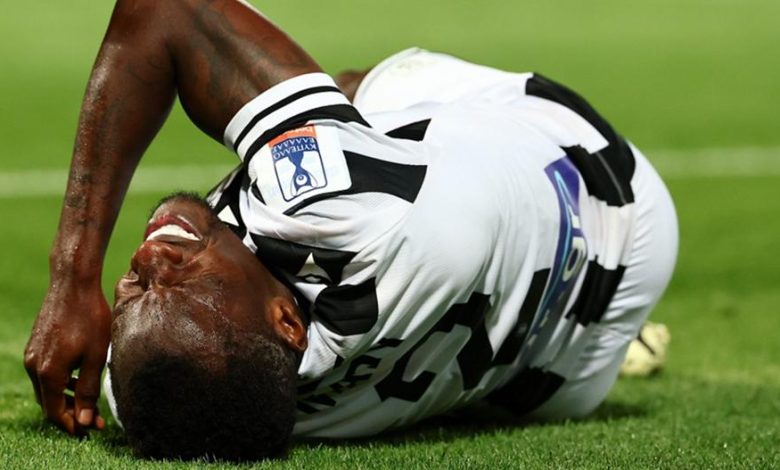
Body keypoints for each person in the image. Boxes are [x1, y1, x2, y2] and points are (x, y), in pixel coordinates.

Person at [23, 0, 678, 461]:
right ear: (288, 322)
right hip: (606, 189)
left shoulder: (189, 393)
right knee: (351, 91)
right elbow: (167, 10)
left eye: (134, 289)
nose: (148, 259)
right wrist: (74, 275)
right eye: (179, 285)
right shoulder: (339, 207)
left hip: (562, 380)